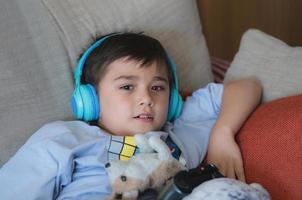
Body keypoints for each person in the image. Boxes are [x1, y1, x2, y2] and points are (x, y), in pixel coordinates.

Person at [0, 33, 262, 200]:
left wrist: (222, 133)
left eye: (158, 88)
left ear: (171, 101)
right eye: (127, 87)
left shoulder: (178, 132)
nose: (146, 98)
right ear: (89, 100)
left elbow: (247, 87)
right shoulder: (64, 139)